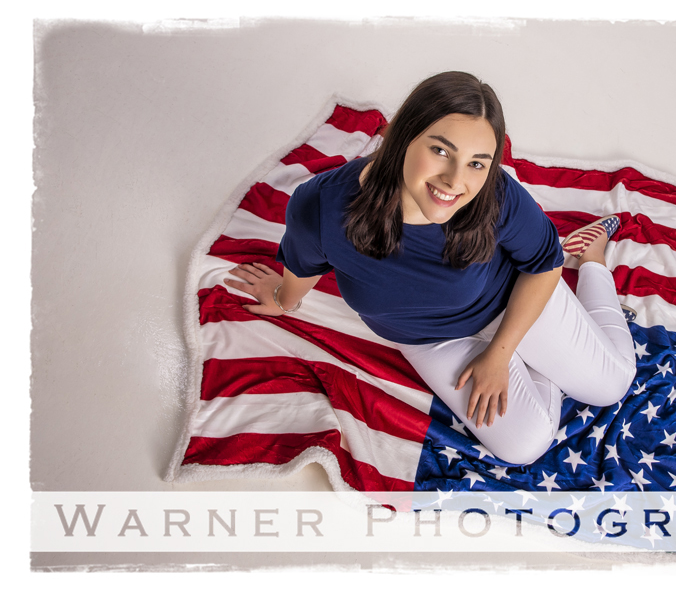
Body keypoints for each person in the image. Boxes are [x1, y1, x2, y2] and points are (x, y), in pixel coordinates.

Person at [223, 71, 637, 466]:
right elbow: (302, 270)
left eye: (478, 162)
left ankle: (592, 259)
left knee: (610, 388)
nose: (455, 181)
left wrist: (501, 352)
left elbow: (545, 264)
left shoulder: (496, 194)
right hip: (430, 340)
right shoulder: (322, 205)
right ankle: (545, 357)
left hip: (514, 299)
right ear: (403, 136)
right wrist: (281, 298)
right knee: (523, 447)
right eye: (441, 151)